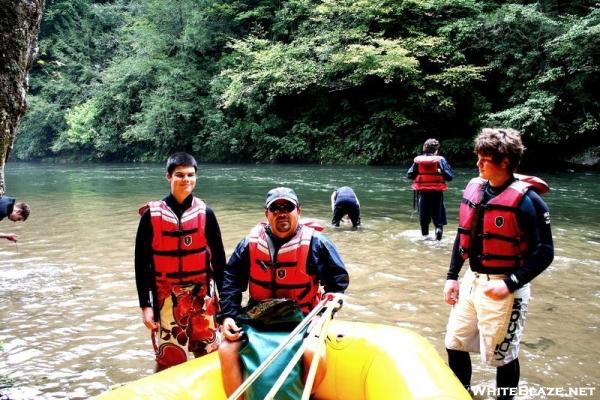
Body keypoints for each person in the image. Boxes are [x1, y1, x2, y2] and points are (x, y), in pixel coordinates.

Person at [443, 128, 554, 399]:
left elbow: (546, 252)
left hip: (506, 286)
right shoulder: (476, 188)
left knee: (502, 356)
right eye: (478, 158)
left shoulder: (530, 202)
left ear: (504, 161)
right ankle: (464, 394)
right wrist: (452, 276)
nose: (478, 164)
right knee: (454, 343)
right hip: (473, 279)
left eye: (484, 159)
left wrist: (510, 283)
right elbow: (463, 234)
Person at [218, 187, 349, 398]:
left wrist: (323, 316)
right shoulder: (249, 244)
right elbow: (231, 282)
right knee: (226, 350)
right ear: (267, 214)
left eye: (287, 207)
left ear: (298, 211)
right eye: (275, 208)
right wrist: (228, 316)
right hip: (257, 318)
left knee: (313, 353)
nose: (282, 213)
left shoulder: (317, 244)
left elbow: (337, 284)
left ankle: (304, 395)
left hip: (304, 319)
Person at [135, 152, 226, 372]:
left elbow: (220, 262)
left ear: (196, 177)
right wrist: (146, 306)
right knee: (169, 359)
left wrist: (226, 306)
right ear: (168, 177)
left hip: (203, 296)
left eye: (190, 175)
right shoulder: (151, 216)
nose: (186, 179)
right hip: (166, 297)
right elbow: (141, 264)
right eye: (179, 175)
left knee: (210, 355)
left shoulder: (207, 214)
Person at [407, 138, 453, 240]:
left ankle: (424, 241)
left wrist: (420, 174)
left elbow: (409, 175)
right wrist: (440, 172)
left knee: (424, 222)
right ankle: (438, 238)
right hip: (437, 194)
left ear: (424, 149)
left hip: (423, 194)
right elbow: (450, 176)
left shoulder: (418, 161)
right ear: (436, 150)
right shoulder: (440, 160)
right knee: (438, 221)